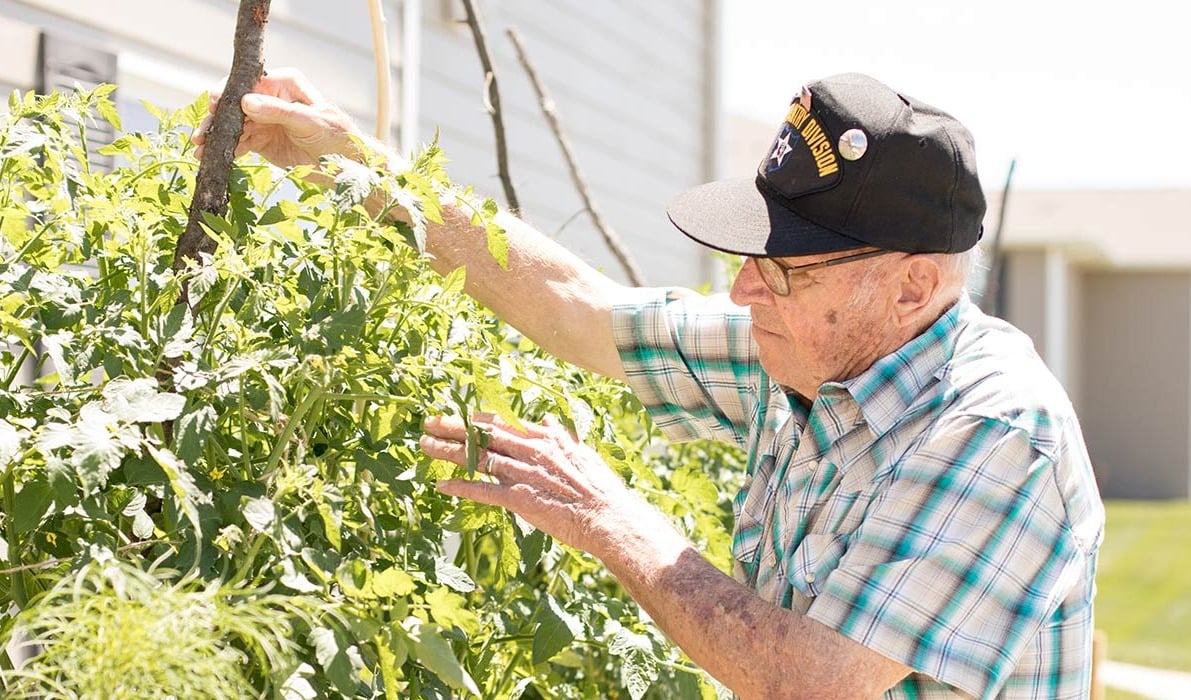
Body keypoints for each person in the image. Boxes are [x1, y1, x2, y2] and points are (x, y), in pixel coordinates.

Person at [194, 69, 1104, 699]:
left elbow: (810, 683)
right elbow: (576, 308)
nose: (746, 288)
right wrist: (358, 165)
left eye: (789, 269)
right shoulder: (801, 348)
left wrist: (614, 522)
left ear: (911, 287)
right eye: (754, 257)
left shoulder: (991, 434)